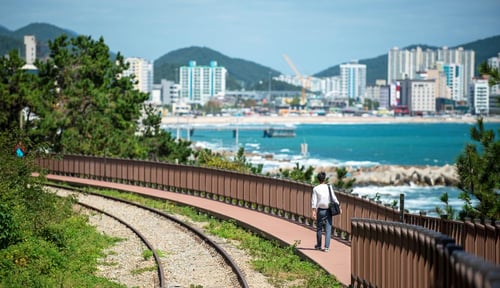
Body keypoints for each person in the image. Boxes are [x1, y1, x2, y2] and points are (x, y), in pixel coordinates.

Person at [311, 171, 340, 252]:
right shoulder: (329, 187)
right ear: (325, 178)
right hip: (329, 210)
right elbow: (334, 198)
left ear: (318, 179)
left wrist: (313, 212)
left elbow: (314, 201)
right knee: (328, 229)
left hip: (320, 210)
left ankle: (319, 245)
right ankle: (326, 247)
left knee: (319, 228)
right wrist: (339, 206)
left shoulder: (315, 188)